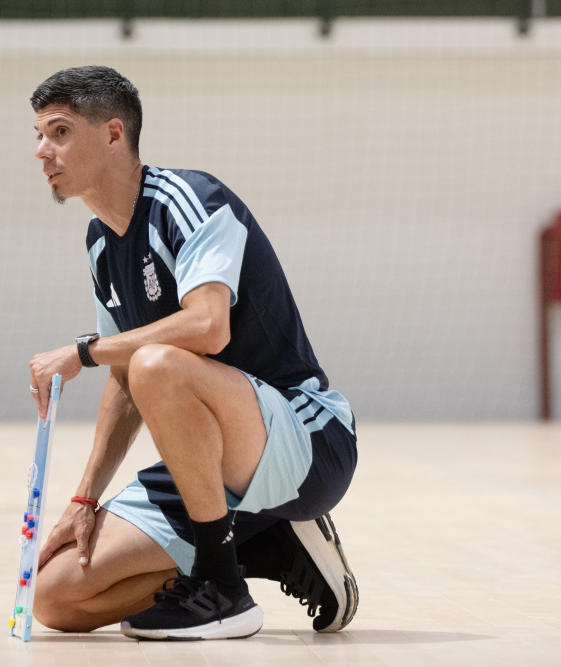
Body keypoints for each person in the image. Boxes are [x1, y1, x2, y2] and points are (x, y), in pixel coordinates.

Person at [26, 66, 358, 641]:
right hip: (208, 467)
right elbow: (124, 379)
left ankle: (224, 593)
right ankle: (258, 547)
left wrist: (84, 351)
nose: (41, 151)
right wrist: (84, 498)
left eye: (59, 132)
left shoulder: (190, 198)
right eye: (39, 134)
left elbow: (208, 328)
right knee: (57, 597)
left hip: (304, 443)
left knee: (158, 361)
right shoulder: (101, 244)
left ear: (111, 135)